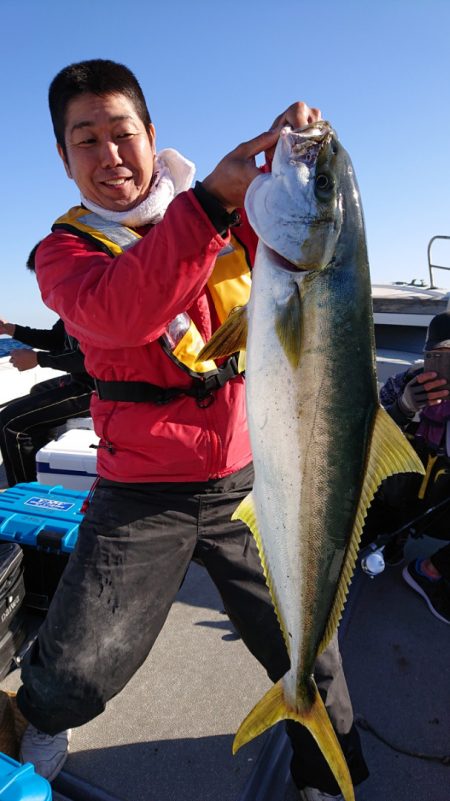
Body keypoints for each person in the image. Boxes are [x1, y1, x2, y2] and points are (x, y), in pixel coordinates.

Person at [12, 59, 368, 800]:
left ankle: (328, 774)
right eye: (87, 140)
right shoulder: (64, 254)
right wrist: (209, 204)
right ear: (62, 156)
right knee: (80, 660)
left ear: (151, 135)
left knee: (310, 649)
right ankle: (37, 724)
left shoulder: (232, 213)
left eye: (123, 133)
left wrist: (298, 142)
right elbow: (121, 311)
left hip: (252, 474)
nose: (110, 155)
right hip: (141, 490)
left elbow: (302, 235)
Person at [378, 311, 450, 625]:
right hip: (386, 497)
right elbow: (363, 437)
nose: (443, 365)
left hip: (438, 507)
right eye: (436, 356)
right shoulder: (405, 381)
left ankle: (430, 570)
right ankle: (392, 535)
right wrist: (403, 408)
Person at [0, 246, 94, 486]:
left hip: (98, 389)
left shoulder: (94, 302)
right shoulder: (71, 302)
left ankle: (25, 492)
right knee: (37, 392)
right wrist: (10, 328)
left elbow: (92, 359)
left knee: (10, 424)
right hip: (81, 380)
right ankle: (42, 471)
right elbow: (54, 339)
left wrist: (39, 360)